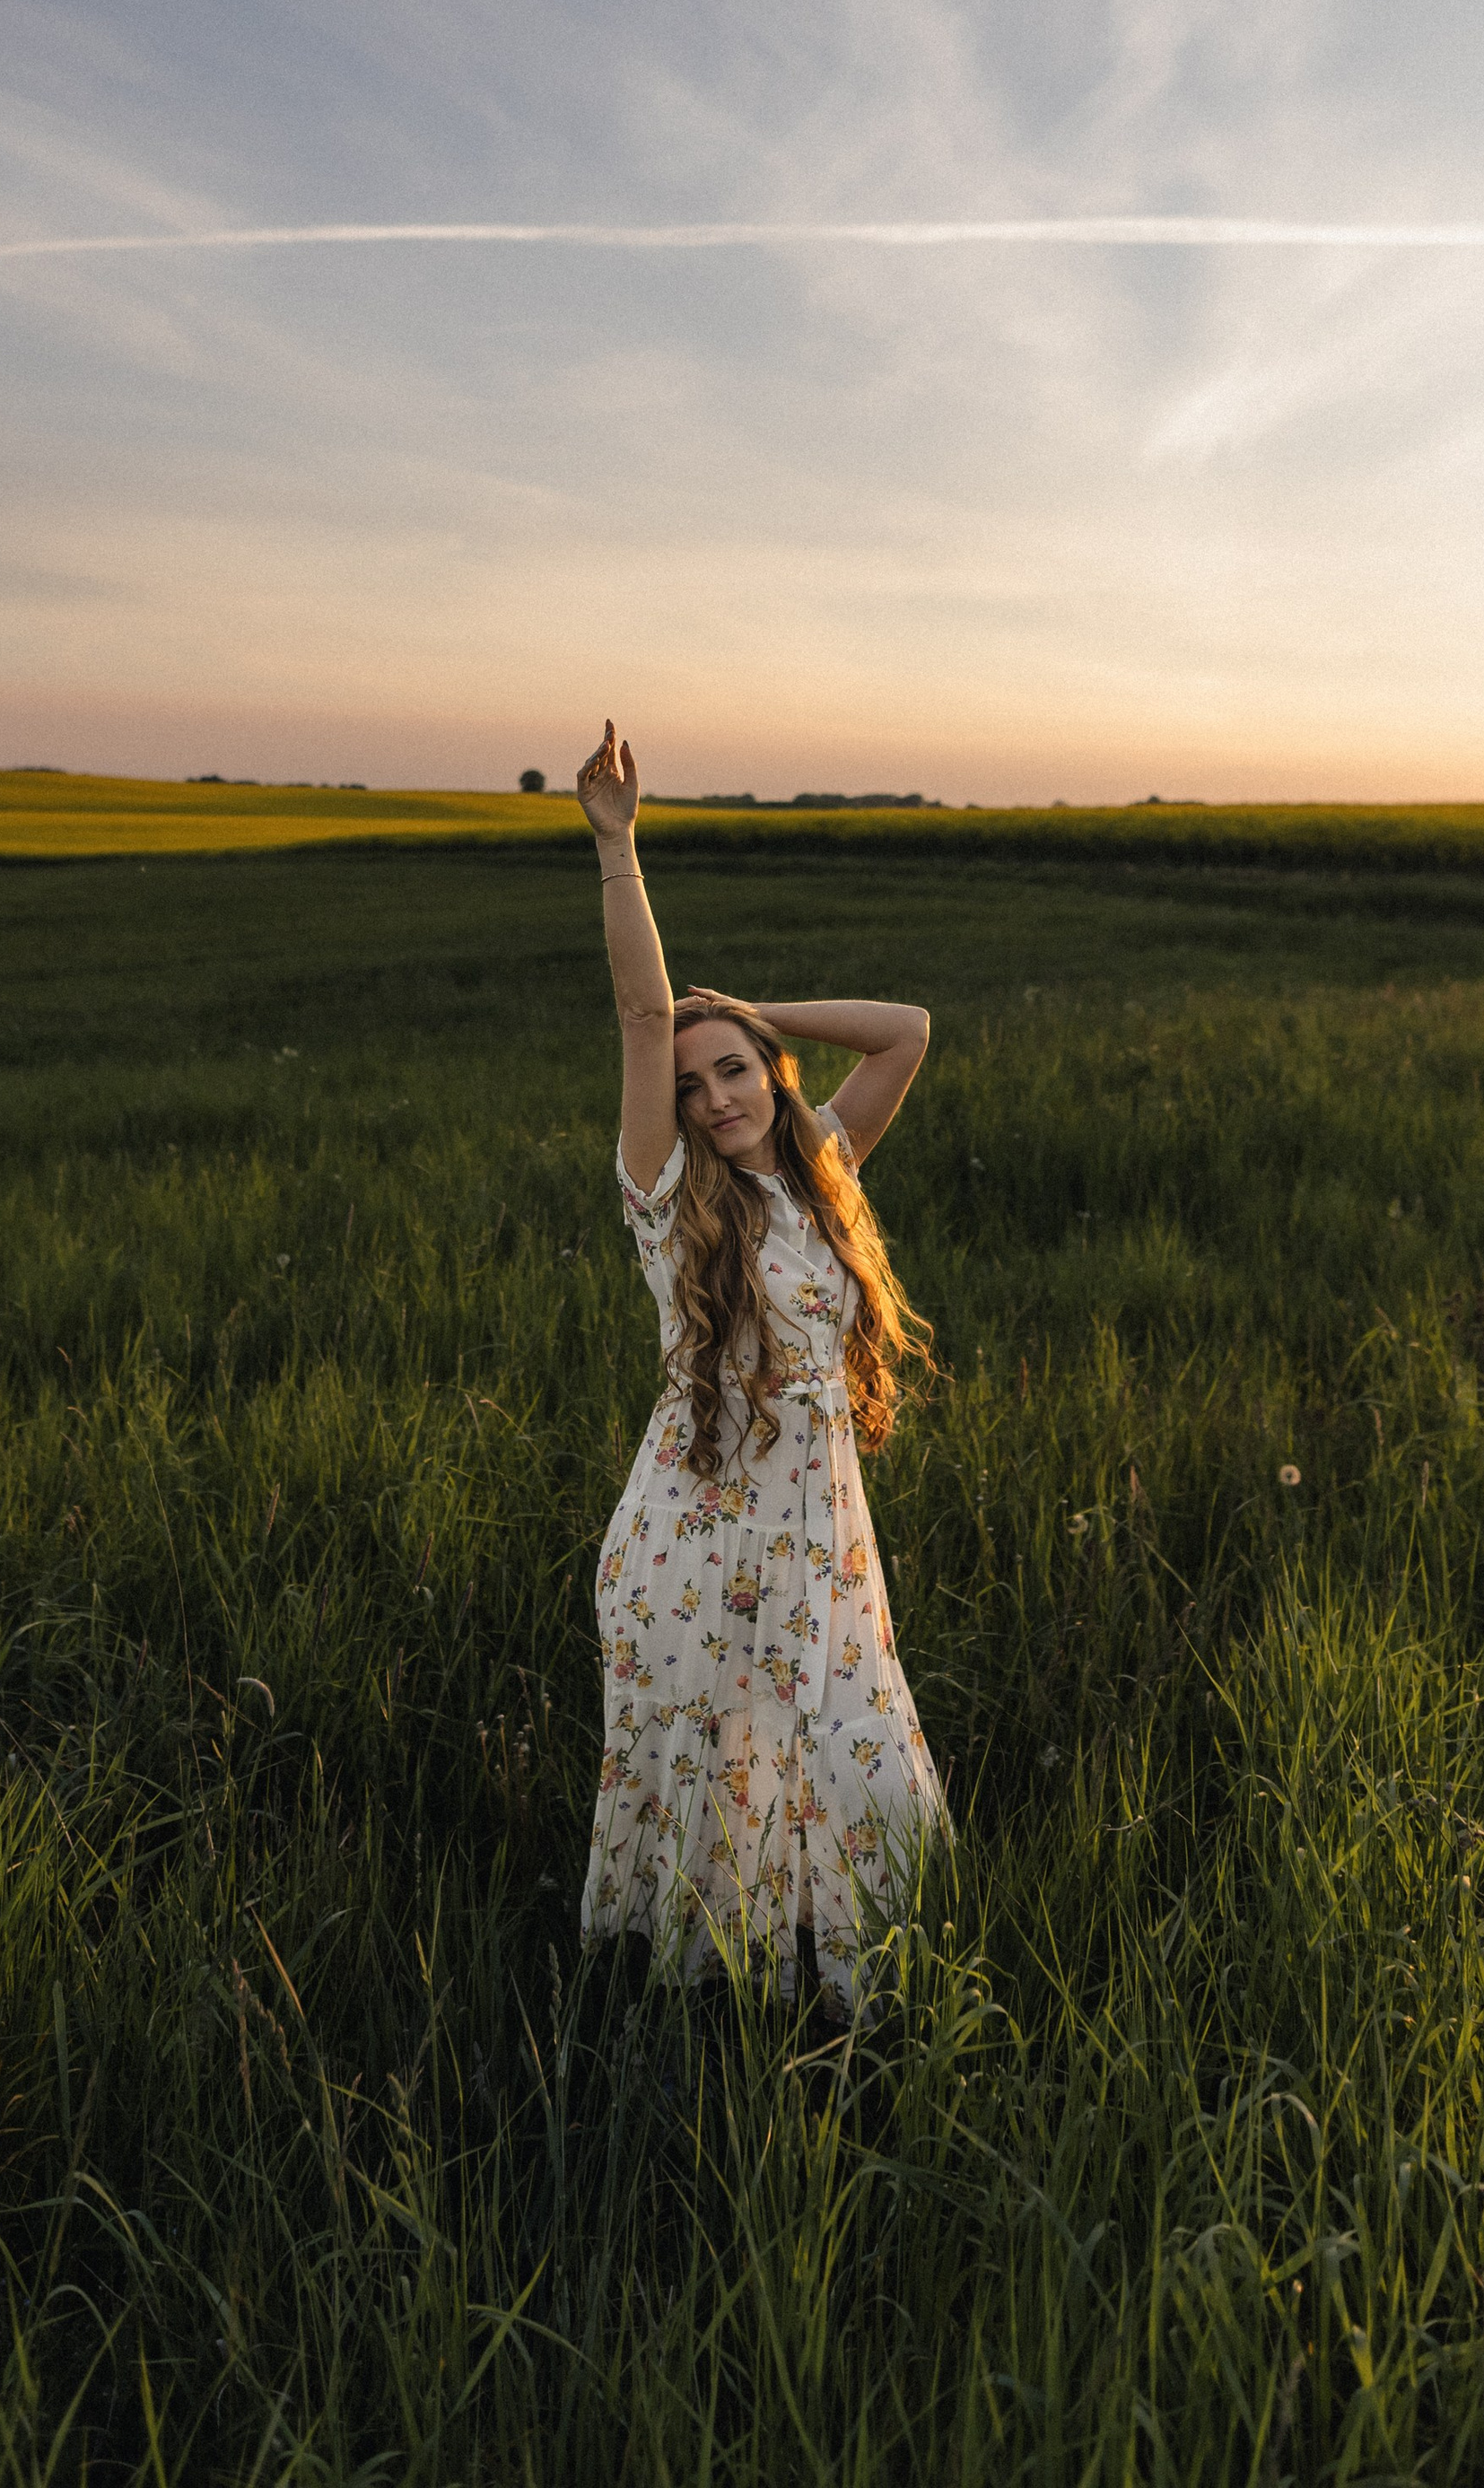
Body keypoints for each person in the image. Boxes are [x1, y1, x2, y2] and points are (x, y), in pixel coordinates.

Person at [573, 718, 950, 2012]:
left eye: (733, 1071)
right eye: (692, 1086)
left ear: (771, 1076)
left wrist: (744, 1009)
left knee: (845, 1753)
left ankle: (834, 1983)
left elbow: (905, 1028)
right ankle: (705, 2003)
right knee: (719, 1770)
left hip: (817, 1534)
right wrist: (619, 849)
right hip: (695, 1537)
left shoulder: (819, 1173)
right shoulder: (665, 1198)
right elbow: (638, 1008)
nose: (718, 1096)